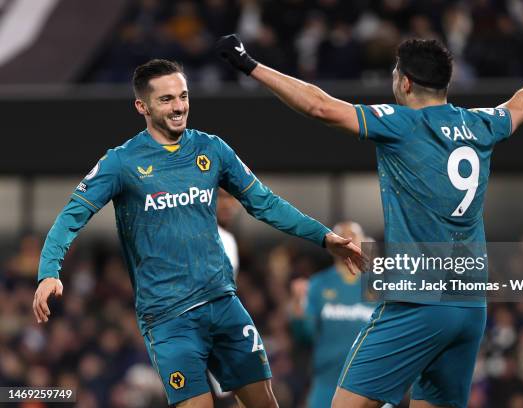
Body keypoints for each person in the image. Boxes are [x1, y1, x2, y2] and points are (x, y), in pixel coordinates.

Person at [216, 35, 523, 408]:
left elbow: (320, 106)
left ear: (405, 82)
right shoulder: (481, 123)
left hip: (419, 300)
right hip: (469, 305)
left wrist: (250, 65)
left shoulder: (402, 123)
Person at [32, 59, 364, 408]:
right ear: (141, 106)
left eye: (184, 96)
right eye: (166, 100)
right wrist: (48, 272)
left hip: (223, 304)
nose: (179, 107)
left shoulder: (212, 149)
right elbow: (71, 216)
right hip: (168, 318)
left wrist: (324, 237)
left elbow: (264, 203)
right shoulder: (122, 163)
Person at [289, 221, 383, 408]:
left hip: (371, 381)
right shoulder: (318, 283)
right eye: (342, 235)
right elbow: (305, 333)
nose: (347, 240)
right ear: (331, 246)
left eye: (353, 235)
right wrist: (298, 304)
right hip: (327, 381)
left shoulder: (379, 284)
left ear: (363, 241)